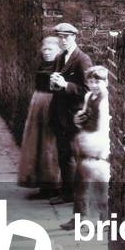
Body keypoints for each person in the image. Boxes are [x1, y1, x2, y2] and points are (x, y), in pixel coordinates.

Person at [48, 22, 92, 204]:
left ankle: (73, 195)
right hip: (59, 115)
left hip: (73, 116)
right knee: (63, 155)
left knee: (72, 156)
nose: (63, 40)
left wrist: (65, 85)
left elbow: (87, 90)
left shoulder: (82, 59)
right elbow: (55, 85)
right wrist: (54, 83)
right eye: (60, 37)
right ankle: (67, 193)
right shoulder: (60, 58)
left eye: (66, 37)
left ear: (74, 37)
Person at [61, 66, 110, 229]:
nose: (93, 85)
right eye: (90, 82)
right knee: (80, 183)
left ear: (106, 82)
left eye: (97, 82)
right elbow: (83, 115)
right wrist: (77, 120)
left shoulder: (105, 101)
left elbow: (104, 126)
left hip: (98, 148)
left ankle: (105, 220)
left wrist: (100, 149)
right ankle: (80, 217)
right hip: (85, 144)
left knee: (101, 187)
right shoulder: (89, 96)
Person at [17, 36, 63, 197]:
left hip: (52, 106)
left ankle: (54, 184)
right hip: (38, 106)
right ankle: (43, 183)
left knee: (50, 145)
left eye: (51, 49)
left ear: (59, 51)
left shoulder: (62, 67)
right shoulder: (43, 65)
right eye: (44, 49)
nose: (46, 52)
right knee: (37, 144)